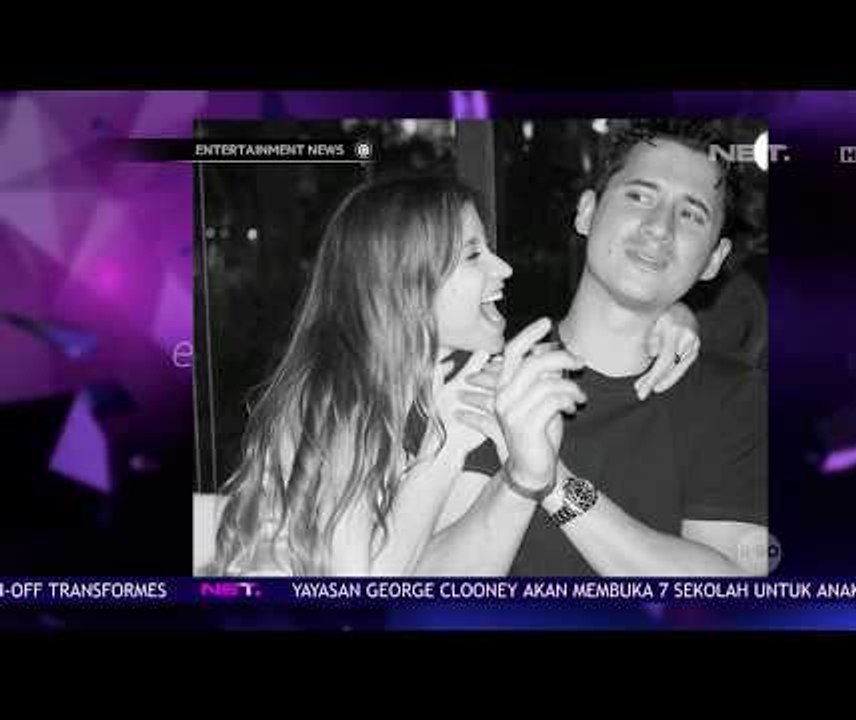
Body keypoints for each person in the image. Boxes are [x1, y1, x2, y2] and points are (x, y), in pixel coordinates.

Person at [213, 174, 699, 576]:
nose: (504, 268)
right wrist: (444, 453)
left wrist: (673, 314)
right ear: (404, 283)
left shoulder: (434, 387)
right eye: (473, 255)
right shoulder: (336, 398)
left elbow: (426, 573)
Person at [466, 119, 769, 576]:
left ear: (714, 259)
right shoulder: (489, 374)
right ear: (587, 212)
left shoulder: (736, 400)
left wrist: (554, 483)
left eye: (691, 214)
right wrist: (520, 480)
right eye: (640, 196)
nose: (659, 227)